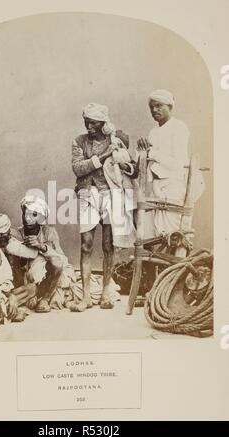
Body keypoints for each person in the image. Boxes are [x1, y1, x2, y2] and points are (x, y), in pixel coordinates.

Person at [71, 102, 138, 312]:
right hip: (87, 193)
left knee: (109, 244)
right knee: (86, 245)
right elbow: (78, 169)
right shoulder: (79, 141)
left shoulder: (115, 141)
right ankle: (86, 297)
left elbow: (133, 169)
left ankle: (107, 292)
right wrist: (103, 155)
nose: (88, 126)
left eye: (92, 122)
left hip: (110, 194)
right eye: (86, 122)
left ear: (102, 122)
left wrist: (121, 161)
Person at [5, 193, 75, 313]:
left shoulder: (49, 232)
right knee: (11, 255)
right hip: (24, 279)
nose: (28, 218)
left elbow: (62, 260)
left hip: (47, 278)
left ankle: (45, 299)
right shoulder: (17, 233)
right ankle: (26, 294)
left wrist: (41, 247)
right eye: (25, 214)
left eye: (34, 215)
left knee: (57, 263)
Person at [137, 89, 191, 237]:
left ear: (170, 107)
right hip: (156, 186)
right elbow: (149, 161)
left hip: (174, 185)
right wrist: (142, 151)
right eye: (152, 107)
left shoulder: (179, 127)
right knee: (152, 233)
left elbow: (177, 163)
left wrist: (151, 152)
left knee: (171, 233)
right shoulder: (153, 132)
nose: (154, 110)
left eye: (159, 105)